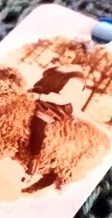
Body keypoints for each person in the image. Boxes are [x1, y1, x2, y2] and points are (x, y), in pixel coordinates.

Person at [26, 41, 90, 174]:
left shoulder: (76, 78)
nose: (64, 58)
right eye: (64, 55)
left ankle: (34, 157)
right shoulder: (57, 70)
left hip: (54, 106)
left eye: (69, 57)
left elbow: (64, 98)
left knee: (38, 122)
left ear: (77, 60)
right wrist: (34, 91)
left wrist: (41, 97)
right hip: (38, 96)